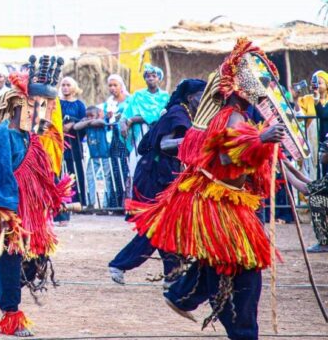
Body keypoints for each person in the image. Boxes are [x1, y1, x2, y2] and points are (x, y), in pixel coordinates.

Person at [127, 39, 311, 339]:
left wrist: (302, 181)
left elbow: (258, 159)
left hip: (231, 202)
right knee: (240, 271)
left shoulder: (241, 116)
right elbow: (227, 155)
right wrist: (262, 138)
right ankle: (236, 327)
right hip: (219, 203)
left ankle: (185, 297)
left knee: (224, 267)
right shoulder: (231, 117)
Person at [0, 56, 71, 337]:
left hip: (27, 214)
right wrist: (4, 215)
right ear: (19, 106)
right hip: (5, 212)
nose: (45, 112)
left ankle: (0, 295)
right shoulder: (1, 136)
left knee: (36, 260)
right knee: (9, 260)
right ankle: (10, 314)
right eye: (40, 106)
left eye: (47, 106)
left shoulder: (28, 135)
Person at [108, 78, 206, 285]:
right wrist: (195, 140)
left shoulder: (188, 114)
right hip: (155, 173)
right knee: (157, 225)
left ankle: (173, 275)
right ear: (190, 97)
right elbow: (165, 143)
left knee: (168, 224)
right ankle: (120, 263)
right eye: (201, 95)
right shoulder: (178, 113)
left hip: (166, 173)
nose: (204, 99)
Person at [74, 105, 112, 209]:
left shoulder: (101, 121)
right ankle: (91, 202)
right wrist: (88, 121)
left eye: (92, 115)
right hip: (93, 156)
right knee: (90, 177)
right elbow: (76, 127)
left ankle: (105, 205)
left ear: (98, 114)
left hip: (105, 155)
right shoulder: (88, 123)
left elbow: (102, 122)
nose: (90, 117)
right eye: (88, 116)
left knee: (107, 179)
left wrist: (88, 122)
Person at [58, 76, 86, 217]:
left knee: (74, 171)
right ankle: (61, 203)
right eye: (63, 85)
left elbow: (84, 122)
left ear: (73, 87)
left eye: (68, 85)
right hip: (59, 142)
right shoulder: (57, 103)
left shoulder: (80, 105)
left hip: (74, 144)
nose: (65, 88)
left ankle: (78, 202)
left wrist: (73, 126)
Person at [103, 74, 130, 208]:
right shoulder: (108, 102)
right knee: (115, 170)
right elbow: (105, 120)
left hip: (126, 139)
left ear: (121, 86)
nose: (112, 88)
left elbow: (132, 115)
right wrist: (107, 118)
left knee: (126, 170)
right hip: (113, 139)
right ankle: (115, 203)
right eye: (110, 85)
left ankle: (126, 203)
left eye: (115, 85)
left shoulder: (129, 100)